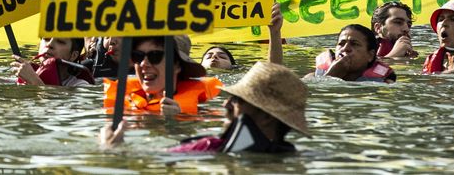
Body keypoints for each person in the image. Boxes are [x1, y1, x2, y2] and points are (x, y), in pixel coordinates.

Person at [102, 61, 309, 154]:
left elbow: (151, 157)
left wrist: (110, 147)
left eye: (237, 100)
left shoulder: (210, 146)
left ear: (266, 117)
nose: (226, 104)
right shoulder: (294, 156)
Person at [0, 0, 92, 86]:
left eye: (60, 42)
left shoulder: (79, 86)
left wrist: (34, 81)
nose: (49, 44)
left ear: (73, 55)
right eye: (45, 39)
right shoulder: (24, 76)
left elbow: (53, 107)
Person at [102, 35, 222, 115]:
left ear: (177, 65)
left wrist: (178, 123)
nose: (144, 63)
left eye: (155, 56)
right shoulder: (119, 107)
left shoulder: (203, 114)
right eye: (138, 56)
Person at [312, 24, 396, 82]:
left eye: (355, 44)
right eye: (341, 44)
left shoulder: (385, 83)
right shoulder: (313, 77)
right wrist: (331, 75)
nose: (345, 48)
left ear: (370, 55)